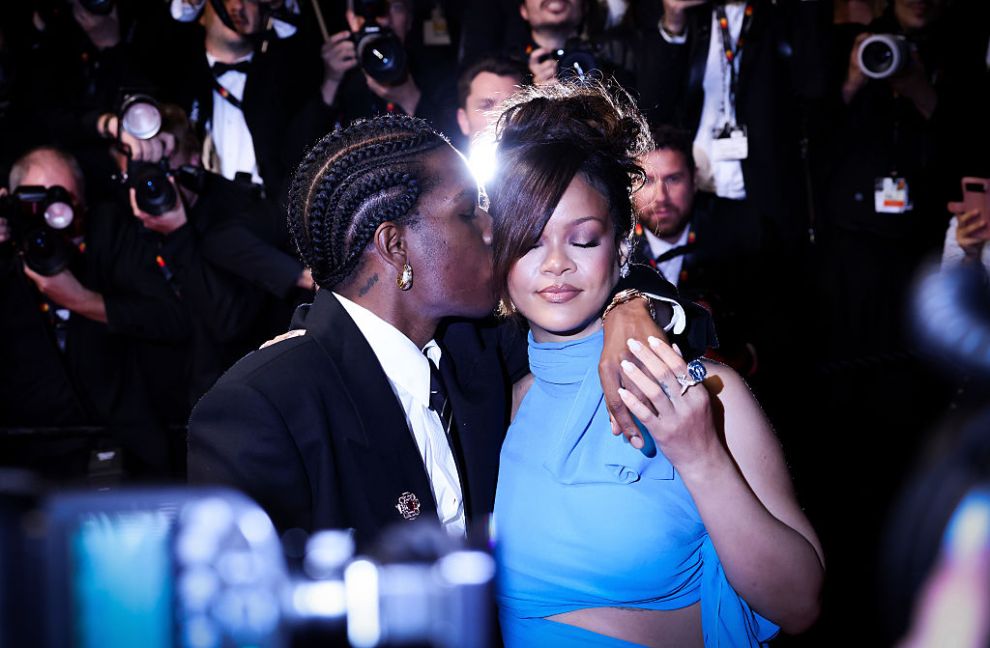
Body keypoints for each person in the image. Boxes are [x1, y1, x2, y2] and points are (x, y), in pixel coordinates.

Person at [187, 114, 703, 544]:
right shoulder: (263, 407)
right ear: (396, 248)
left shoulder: (471, 348)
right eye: (468, 211)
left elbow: (619, 287)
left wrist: (631, 307)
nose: (493, 226)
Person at [489, 82, 824, 647]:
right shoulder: (499, 399)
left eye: (583, 240)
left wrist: (701, 457)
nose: (555, 266)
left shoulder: (706, 392)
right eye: (528, 242)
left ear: (621, 245)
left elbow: (799, 605)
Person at [631, 124, 757, 374]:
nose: (661, 197)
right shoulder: (613, 243)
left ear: (694, 179)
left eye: (673, 179)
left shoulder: (741, 233)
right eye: (647, 181)